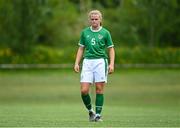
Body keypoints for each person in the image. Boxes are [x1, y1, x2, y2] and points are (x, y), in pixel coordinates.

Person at [74, 10, 115, 122]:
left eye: (96, 19)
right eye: (92, 19)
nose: (94, 21)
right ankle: (90, 111)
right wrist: (77, 63)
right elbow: (81, 48)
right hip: (87, 62)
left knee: (99, 89)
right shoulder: (85, 32)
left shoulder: (106, 33)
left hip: (101, 62)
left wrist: (111, 64)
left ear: (100, 20)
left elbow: (111, 49)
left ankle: (98, 115)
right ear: (89, 20)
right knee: (84, 90)